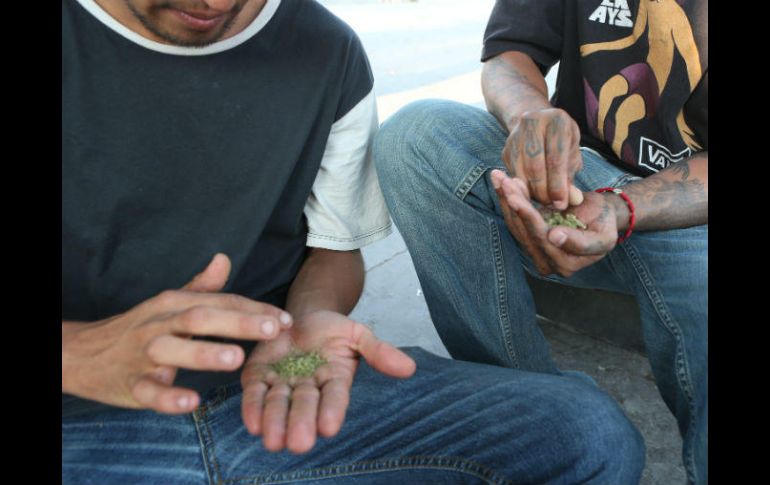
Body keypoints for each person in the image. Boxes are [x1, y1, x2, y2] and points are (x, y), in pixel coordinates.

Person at [62, 0, 646, 483]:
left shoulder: (325, 50)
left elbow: (334, 251)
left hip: (275, 391)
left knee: (586, 435)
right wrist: (80, 353)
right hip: (80, 418)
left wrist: (307, 318)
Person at [373, 0, 707, 484]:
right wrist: (530, 114)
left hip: (692, 210)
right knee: (414, 138)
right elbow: (508, 54)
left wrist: (620, 207)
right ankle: (535, 420)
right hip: (583, 176)